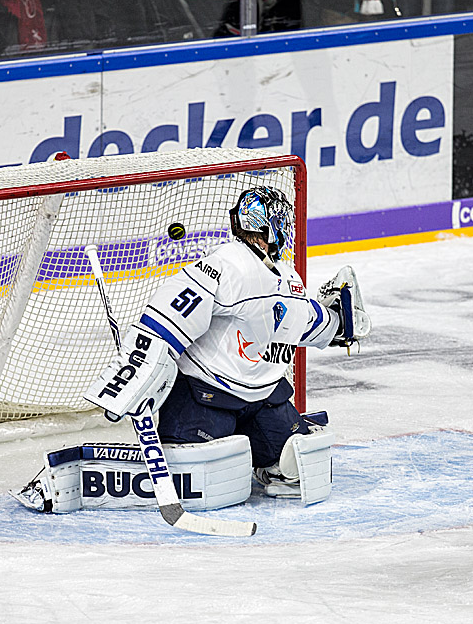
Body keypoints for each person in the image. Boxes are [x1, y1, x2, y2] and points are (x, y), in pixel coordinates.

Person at [85, 185, 370, 501]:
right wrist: (133, 374)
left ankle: (257, 452)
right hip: (204, 397)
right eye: (279, 222)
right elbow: (168, 318)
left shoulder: (288, 277)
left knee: (298, 470)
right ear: (265, 226)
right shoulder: (226, 264)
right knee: (196, 479)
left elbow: (301, 321)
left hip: (264, 399)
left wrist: (338, 323)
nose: (284, 229)